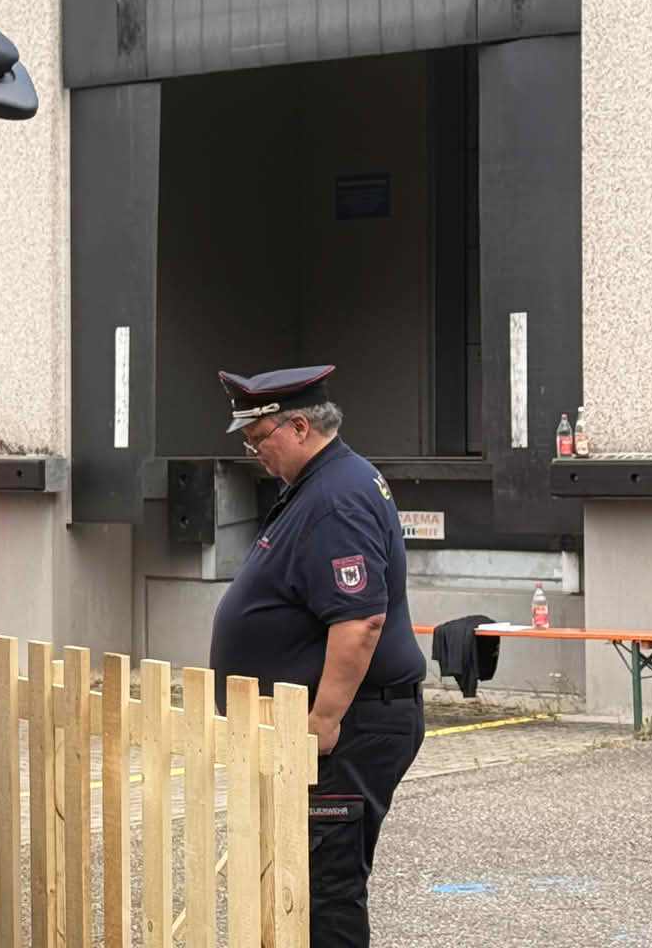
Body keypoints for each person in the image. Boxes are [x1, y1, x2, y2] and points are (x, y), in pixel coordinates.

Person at [207, 364, 427, 948]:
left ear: (299, 426)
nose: (255, 453)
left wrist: (322, 722)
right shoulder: (321, 485)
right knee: (302, 882)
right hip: (331, 726)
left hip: (346, 728)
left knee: (325, 887)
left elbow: (360, 619)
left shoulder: (335, 497)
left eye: (260, 440)